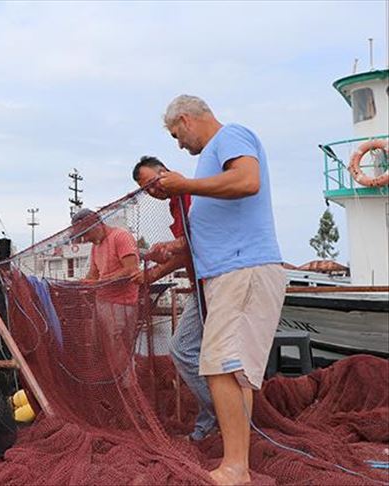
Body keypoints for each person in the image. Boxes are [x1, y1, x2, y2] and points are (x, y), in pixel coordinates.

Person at [158, 95, 286, 485]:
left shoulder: (231, 136)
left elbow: (248, 180)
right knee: (234, 372)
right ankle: (237, 463)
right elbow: (220, 220)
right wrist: (175, 248)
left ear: (186, 118)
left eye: (178, 135)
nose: (180, 145)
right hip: (230, 273)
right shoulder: (211, 156)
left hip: (241, 270)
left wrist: (186, 184)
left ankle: (235, 468)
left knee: (219, 365)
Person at [131, 155, 217, 441]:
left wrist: (163, 251)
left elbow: (195, 241)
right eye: (147, 190)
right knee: (196, 352)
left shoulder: (188, 193)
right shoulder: (176, 202)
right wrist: (153, 273)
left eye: (152, 183)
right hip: (200, 284)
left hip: (212, 282)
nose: (152, 191)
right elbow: (185, 252)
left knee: (183, 349)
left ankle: (220, 415)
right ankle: (212, 421)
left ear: (164, 172)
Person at [71, 208, 140, 382]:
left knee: (118, 346)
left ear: (97, 223)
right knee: (100, 345)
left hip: (122, 304)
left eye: (86, 233)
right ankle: (111, 381)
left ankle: (126, 384)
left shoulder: (120, 237)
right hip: (102, 302)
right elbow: (93, 274)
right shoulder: (96, 247)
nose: (85, 239)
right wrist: (81, 284)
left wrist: (100, 282)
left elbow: (131, 269)